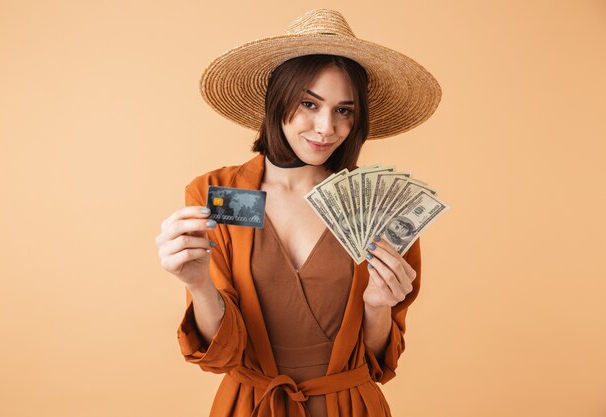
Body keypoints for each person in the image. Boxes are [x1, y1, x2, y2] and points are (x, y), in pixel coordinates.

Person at [155, 9, 441, 417]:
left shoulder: (377, 204)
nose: (326, 127)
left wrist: (378, 306)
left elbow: (380, 363)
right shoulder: (217, 193)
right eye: (310, 103)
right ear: (277, 100)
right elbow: (220, 354)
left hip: (350, 407)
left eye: (344, 110)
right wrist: (198, 283)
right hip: (251, 406)